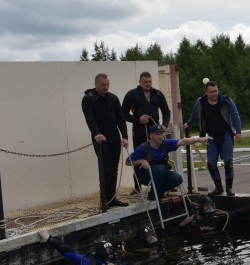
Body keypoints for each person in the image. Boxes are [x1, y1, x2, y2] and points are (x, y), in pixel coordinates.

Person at [184, 81, 243, 196]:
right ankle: (218, 187)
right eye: (211, 92)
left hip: (226, 135)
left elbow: (235, 115)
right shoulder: (201, 102)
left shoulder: (226, 100)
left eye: (216, 91)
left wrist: (238, 132)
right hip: (211, 136)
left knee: (228, 162)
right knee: (211, 164)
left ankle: (229, 188)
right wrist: (189, 124)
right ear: (205, 92)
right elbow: (194, 114)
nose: (214, 94)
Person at [126, 124, 211, 201]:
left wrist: (199, 139)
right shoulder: (142, 148)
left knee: (177, 179)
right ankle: (154, 194)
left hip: (161, 173)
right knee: (161, 168)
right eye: (157, 134)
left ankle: (156, 193)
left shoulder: (165, 144)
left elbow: (182, 141)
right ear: (151, 135)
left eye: (161, 133)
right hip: (145, 175)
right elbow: (128, 162)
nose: (160, 136)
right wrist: (141, 161)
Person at [82, 73, 130, 208]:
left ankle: (112, 197)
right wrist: (96, 133)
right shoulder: (88, 99)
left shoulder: (113, 98)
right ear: (96, 84)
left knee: (114, 168)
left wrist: (125, 136)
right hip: (100, 139)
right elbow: (89, 118)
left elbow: (120, 118)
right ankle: (104, 199)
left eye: (107, 84)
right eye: (103, 85)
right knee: (106, 167)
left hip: (114, 137)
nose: (105, 87)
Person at [122, 72, 171, 192]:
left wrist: (164, 125)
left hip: (156, 132)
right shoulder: (132, 94)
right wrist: (138, 120)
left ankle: (163, 182)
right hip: (139, 130)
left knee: (160, 156)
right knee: (139, 156)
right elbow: (123, 114)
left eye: (150, 81)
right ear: (140, 82)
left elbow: (166, 111)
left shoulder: (157, 94)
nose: (148, 84)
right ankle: (137, 186)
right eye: (145, 82)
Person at [173, 195, 250, 236]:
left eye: (211, 206)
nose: (210, 208)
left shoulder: (217, 216)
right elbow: (175, 230)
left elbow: (235, 213)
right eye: (207, 206)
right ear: (201, 207)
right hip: (196, 244)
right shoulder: (192, 219)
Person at [38, 229, 117, 265]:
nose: (111, 254)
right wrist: (49, 239)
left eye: (111, 250)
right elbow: (69, 251)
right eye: (108, 251)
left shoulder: (114, 258)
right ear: (100, 252)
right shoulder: (88, 262)